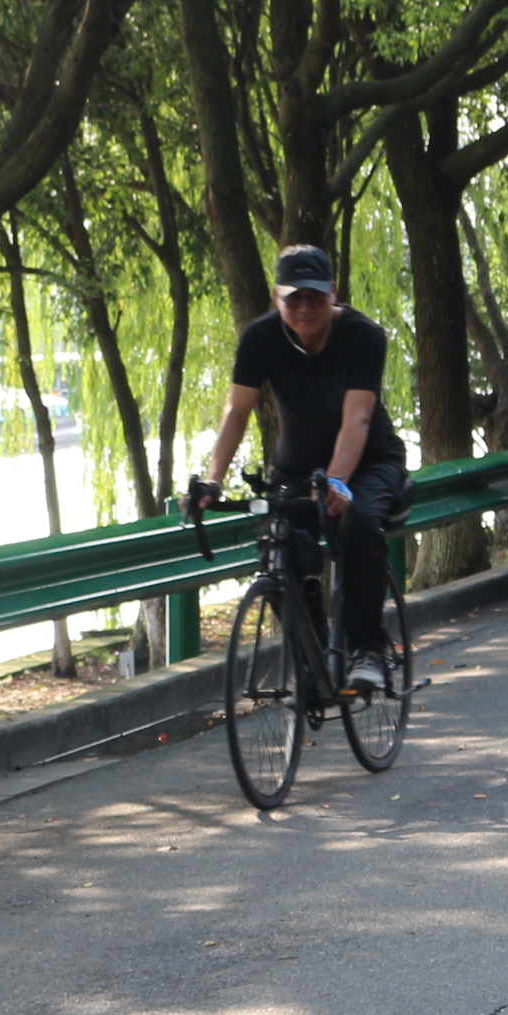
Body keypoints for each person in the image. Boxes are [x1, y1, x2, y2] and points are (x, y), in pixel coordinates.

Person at [192, 244, 411, 693]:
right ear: (277, 297)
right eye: (294, 297)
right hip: (295, 468)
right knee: (279, 543)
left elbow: (359, 419)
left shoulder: (363, 335)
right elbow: (236, 411)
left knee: (356, 523)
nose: (305, 307)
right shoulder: (261, 338)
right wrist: (213, 478)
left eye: (314, 296)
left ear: (333, 292)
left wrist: (336, 482)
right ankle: (311, 655)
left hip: (370, 462)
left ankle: (369, 650)